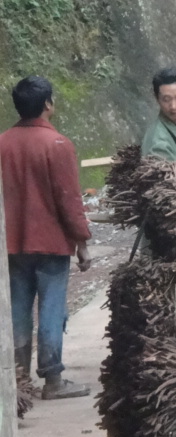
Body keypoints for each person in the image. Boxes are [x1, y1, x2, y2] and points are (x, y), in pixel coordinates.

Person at [0, 75, 92, 399]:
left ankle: (18, 380)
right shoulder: (58, 145)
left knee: (17, 309)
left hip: (12, 244)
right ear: (48, 104)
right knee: (51, 309)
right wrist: (82, 242)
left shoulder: (3, 144)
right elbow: (69, 200)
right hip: (51, 244)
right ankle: (52, 379)